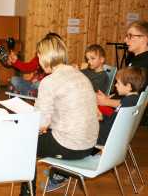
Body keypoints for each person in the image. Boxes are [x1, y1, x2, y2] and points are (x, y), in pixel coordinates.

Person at [20, 36, 98, 195]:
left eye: (39, 55)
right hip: (90, 144)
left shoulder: (50, 81)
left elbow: (40, 123)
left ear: (46, 56)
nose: (38, 59)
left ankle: (27, 193)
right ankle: (57, 176)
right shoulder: (81, 76)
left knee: (24, 144)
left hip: (71, 147)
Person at [97, 20, 148, 125]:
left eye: (130, 36)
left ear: (144, 39)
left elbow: (135, 102)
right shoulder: (138, 59)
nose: (125, 40)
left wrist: (106, 101)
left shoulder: (146, 64)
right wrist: (109, 97)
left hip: (130, 118)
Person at [97, 67, 146, 145]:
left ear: (128, 86)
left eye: (118, 83)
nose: (115, 85)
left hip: (106, 137)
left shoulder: (127, 103)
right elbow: (115, 120)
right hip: (115, 135)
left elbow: (111, 126)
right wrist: (102, 117)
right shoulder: (133, 100)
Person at [8, 32, 61, 97]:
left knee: (40, 84)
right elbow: (27, 67)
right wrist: (15, 61)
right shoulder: (39, 57)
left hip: (42, 86)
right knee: (14, 79)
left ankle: (23, 92)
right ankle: (29, 93)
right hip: (32, 84)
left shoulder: (59, 61)